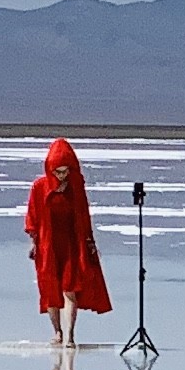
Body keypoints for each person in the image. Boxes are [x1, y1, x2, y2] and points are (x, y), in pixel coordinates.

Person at [24, 136, 114, 349]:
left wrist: (89, 242)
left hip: (72, 245)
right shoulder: (40, 187)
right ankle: (57, 331)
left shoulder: (76, 188)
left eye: (65, 171)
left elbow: (84, 216)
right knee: (50, 290)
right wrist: (34, 242)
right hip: (48, 245)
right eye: (57, 172)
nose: (61, 176)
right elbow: (33, 217)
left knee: (70, 289)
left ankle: (70, 335)